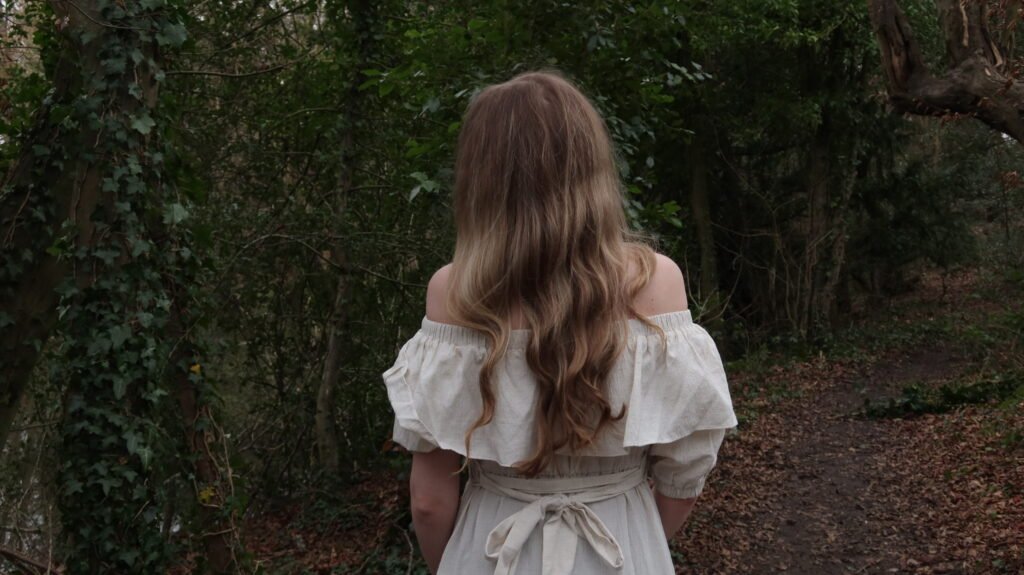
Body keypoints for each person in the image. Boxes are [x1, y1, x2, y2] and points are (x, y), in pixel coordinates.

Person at [382, 71, 737, 575]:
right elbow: (686, 469)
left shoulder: (453, 292)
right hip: (621, 544)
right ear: (592, 168)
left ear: (481, 180)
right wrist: (639, 541)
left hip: (491, 551)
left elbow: (429, 502)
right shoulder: (657, 281)